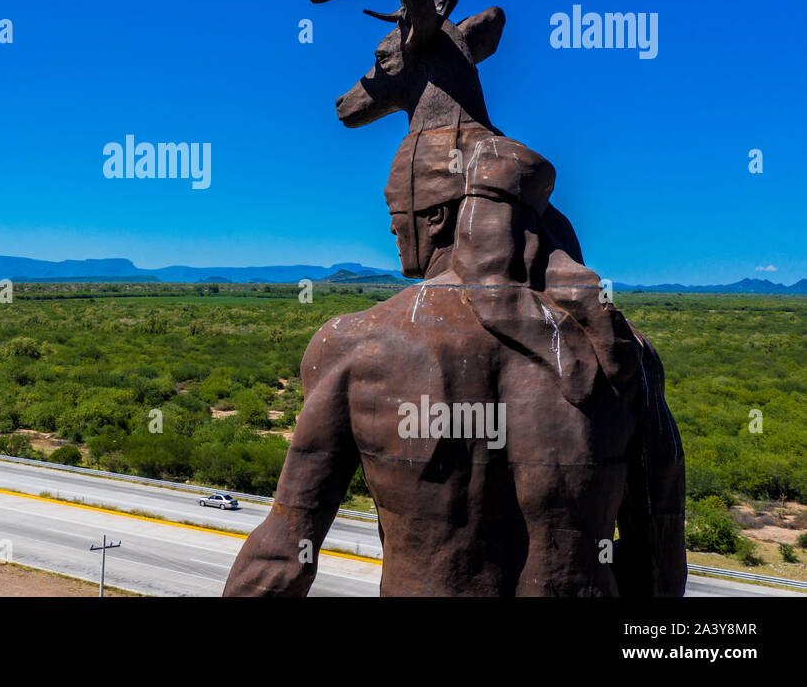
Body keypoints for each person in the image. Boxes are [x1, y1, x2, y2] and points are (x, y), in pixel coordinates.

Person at [223, 128, 686, 596]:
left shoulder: (354, 344)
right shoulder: (622, 353)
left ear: (438, 217)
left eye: (395, 212)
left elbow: (284, 555)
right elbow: (659, 564)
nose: (391, 228)